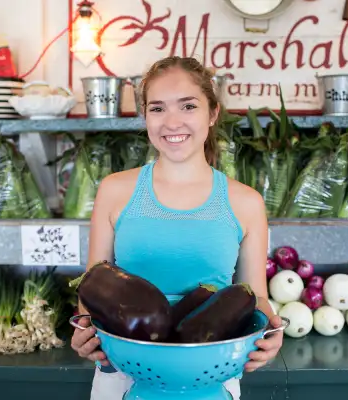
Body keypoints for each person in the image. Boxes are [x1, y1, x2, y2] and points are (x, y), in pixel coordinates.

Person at [70, 56, 285, 399]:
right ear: (145, 117)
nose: (172, 122)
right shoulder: (115, 191)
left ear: (212, 113)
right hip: (123, 369)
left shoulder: (246, 202)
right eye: (157, 109)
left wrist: (272, 331)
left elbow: (254, 294)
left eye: (188, 106)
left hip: (211, 367)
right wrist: (84, 329)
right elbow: (92, 286)